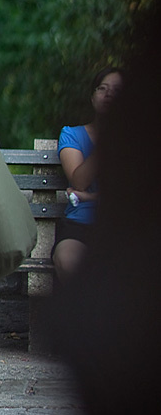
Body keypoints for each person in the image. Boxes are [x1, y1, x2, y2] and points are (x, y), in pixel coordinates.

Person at [51, 67, 122, 280]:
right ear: (93, 98)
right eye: (103, 89)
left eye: (117, 90)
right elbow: (79, 181)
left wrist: (90, 197)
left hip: (122, 226)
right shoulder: (72, 134)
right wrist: (107, 140)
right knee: (67, 260)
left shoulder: (142, 140)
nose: (109, 94)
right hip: (80, 225)